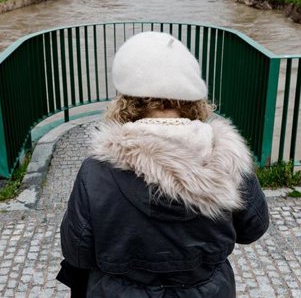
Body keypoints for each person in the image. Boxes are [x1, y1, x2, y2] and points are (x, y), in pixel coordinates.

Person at [58, 31, 270, 297]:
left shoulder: (96, 171)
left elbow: (77, 250)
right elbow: (253, 228)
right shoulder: (226, 158)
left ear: (125, 100)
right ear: (194, 100)